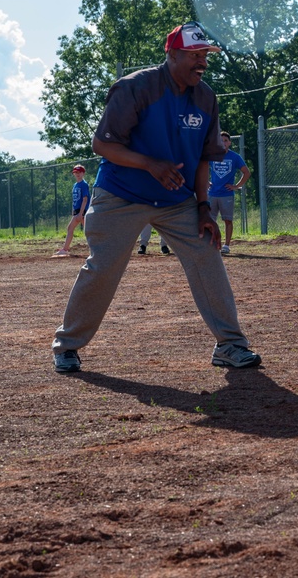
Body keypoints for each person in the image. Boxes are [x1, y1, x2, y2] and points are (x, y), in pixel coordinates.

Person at [50, 22, 261, 374]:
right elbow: (102, 145)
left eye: (205, 55)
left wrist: (203, 207)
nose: (202, 63)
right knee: (103, 267)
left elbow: (204, 160)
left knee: (207, 255)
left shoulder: (206, 97)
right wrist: (150, 165)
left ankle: (230, 345)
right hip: (121, 195)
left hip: (177, 199)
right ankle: (66, 345)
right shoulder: (136, 87)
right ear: (172, 54)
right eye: (194, 55)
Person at [209, 131, 251, 254]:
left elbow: (246, 172)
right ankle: (213, 244)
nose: (223, 143)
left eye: (226, 140)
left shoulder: (235, 157)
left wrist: (236, 186)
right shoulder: (211, 155)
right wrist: (206, 182)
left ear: (230, 143)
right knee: (210, 220)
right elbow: (200, 167)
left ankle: (226, 245)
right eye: (220, 140)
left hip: (226, 194)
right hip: (212, 193)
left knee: (227, 220)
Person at [54, 164, 90, 257]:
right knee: (70, 228)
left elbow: (85, 199)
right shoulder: (75, 185)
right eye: (75, 172)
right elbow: (74, 199)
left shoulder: (84, 184)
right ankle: (65, 250)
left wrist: (81, 213)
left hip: (82, 211)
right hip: (77, 211)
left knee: (88, 231)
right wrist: (74, 211)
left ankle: (97, 250)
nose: (77, 174)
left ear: (83, 173)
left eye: (79, 172)